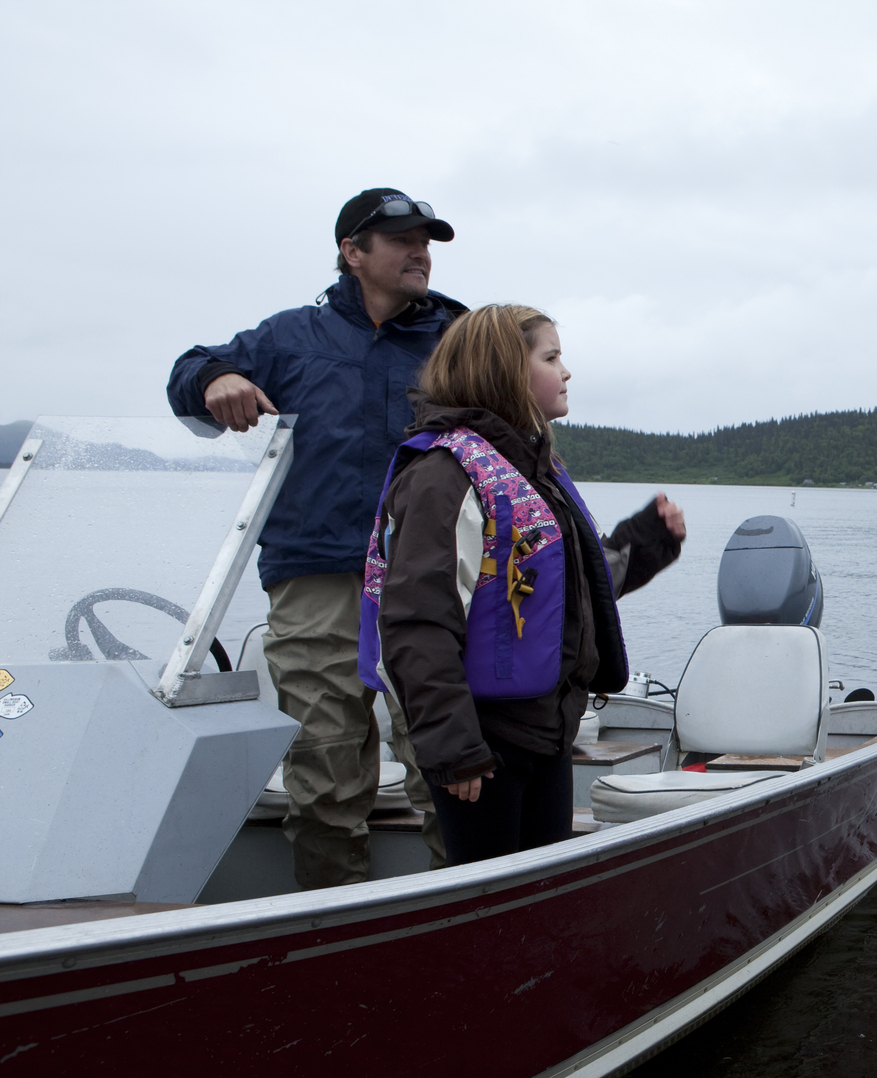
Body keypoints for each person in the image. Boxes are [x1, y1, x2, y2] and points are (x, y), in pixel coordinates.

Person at [166, 189, 466, 887]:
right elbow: (187, 371)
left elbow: (520, 414)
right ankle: (334, 936)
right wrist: (219, 376)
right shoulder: (289, 336)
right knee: (325, 772)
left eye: (427, 240)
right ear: (352, 253)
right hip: (315, 578)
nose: (419, 251)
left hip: (431, 580)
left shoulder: (459, 336)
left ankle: (464, 925)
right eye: (400, 239)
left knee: (446, 763)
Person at [361, 304, 688, 864]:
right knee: (488, 902)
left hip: (545, 734)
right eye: (552, 357)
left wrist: (646, 542)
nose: (566, 372)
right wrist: (456, 750)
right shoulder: (445, 476)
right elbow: (417, 622)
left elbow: (565, 590)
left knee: (539, 894)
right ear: (506, 370)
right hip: (484, 747)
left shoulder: (533, 471)